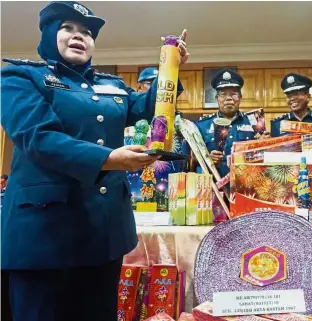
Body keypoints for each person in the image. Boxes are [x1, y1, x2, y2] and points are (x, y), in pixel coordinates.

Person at [0, 2, 189, 320]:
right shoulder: (20, 77)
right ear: (48, 34)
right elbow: (39, 138)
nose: (79, 36)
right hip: (44, 234)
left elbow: (144, 106)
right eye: (68, 28)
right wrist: (109, 158)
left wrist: (171, 67)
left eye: (87, 32)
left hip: (104, 232)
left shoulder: (111, 85)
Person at [196, 69, 259, 176]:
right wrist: (207, 159)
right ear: (216, 98)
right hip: (214, 187)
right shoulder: (202, 126)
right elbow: (193, 160)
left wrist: (265, 144)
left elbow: (263, 158)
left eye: (233, 94)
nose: (228, 98)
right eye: (223, 94)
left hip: (246, 185)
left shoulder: (255, 123)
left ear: (240, 98)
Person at [271, 73, 312, 137]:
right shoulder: (277, 124)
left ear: (308, 97)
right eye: (288, 95)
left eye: (296, 94)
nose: (292, 98)